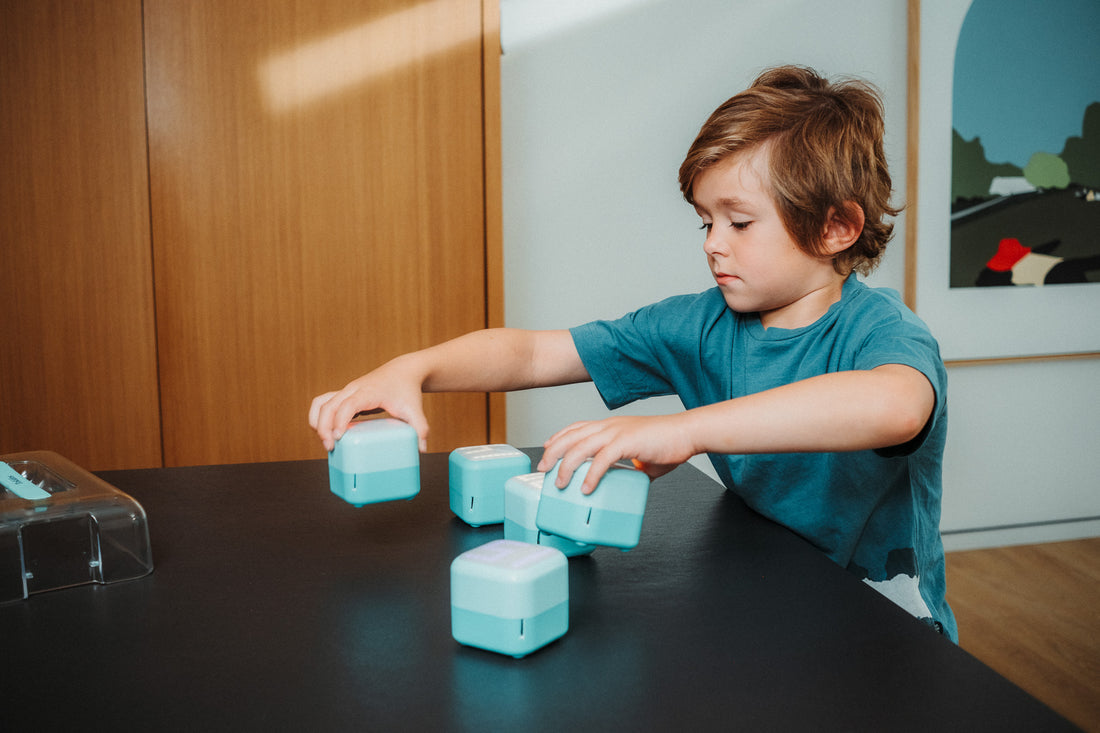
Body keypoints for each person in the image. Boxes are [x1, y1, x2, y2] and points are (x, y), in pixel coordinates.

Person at [309, 65, 958, 641]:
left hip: (882, 629)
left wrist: (686, 430)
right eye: (706, 221)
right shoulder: (698, 324)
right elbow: (533, 355)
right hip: (768, 605)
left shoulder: (882, 331)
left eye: (739, 222)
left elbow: (895, 406)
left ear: (836, 226)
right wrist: (413, 368)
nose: (712, 243)